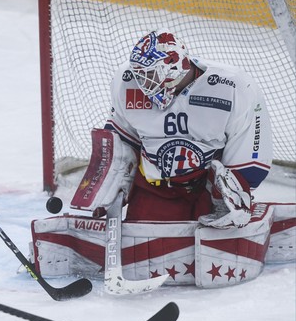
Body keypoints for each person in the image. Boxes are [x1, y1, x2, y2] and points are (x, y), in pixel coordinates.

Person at [72, 28, 273, 227]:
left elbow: (250, 151)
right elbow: (123, 140)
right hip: (155, 191)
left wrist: (228, 196)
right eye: (140, 74)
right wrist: (108, 183)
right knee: (143, 251)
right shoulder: (127, 81)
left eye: (150, 74)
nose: (142, 82)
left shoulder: (232, 87)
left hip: (207, 190)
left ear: (173, 67)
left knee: (216, 253)